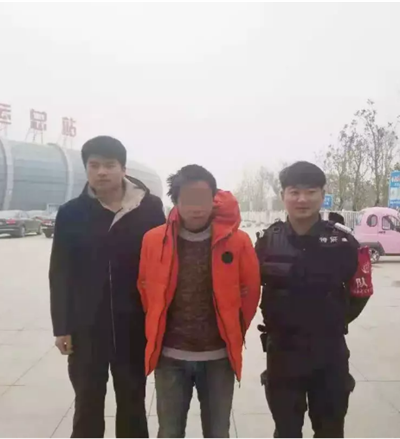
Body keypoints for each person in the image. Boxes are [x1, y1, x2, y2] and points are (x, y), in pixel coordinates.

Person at [49, 136, 166, 438]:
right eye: (94, 165)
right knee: (87, 403)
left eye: (109, 165)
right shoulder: (71, 213)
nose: (102, 172)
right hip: (86, 329)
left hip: (134, 326)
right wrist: (62, 327)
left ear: (123, 168)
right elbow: (60, 272)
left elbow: (163, 266)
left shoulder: (149, 208)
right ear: (87, 169)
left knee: (133, 403)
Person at [137, 164, 261, 438]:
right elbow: (146, 288)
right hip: (170, 355)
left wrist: (233, 328)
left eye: (203, 199)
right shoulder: (153, 240)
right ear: (176, 201)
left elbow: (250, 292)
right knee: (169, 431)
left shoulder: (238, 242)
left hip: (218, 357)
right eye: (188, 200)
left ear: (213, 199)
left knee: (218, 431)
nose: (196, 208)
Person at [256, 161, 373, 438]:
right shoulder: (266, 242)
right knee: (286, 430)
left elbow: (360, 292)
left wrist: (333, 319)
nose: (302, 199)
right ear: (283, 195)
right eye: (294, 192)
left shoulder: (343, 242)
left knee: (330, 430)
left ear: (322, 195)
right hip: (282, 353)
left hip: (328, 353)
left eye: (310, 192)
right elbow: (247, 288)